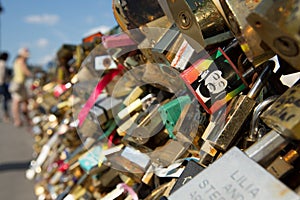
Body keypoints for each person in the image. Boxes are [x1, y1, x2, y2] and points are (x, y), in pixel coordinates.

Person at [9, 48, 32, 127]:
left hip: (17, 83)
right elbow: (25, 71)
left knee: (22, 101)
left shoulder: (16, 61)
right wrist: (33, 75)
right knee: (18, 101)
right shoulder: (21, 61)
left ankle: (22, 119)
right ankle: (19, 120)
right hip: (19, 84)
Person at [0, 52, 11, 122]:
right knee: (5, 100)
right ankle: (5, 116)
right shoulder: (3, 64)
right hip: (1, 83)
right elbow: (3, 75)